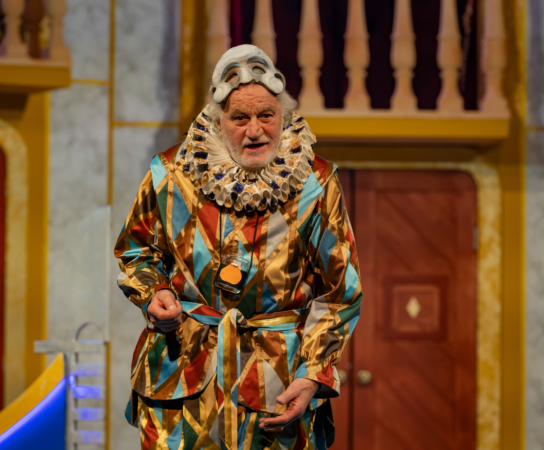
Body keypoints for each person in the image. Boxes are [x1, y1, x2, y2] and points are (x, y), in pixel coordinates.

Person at [115, 44, 362, 450]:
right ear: (217, 121)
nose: (255, 130)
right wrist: (153, 292)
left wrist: (313, 373)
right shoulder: (171, 175)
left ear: (283, 115)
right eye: (240, 118)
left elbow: (341, 292)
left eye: (266, 115)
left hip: (277, 385)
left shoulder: (316, 184)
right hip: (183, 379)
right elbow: (135, 251)